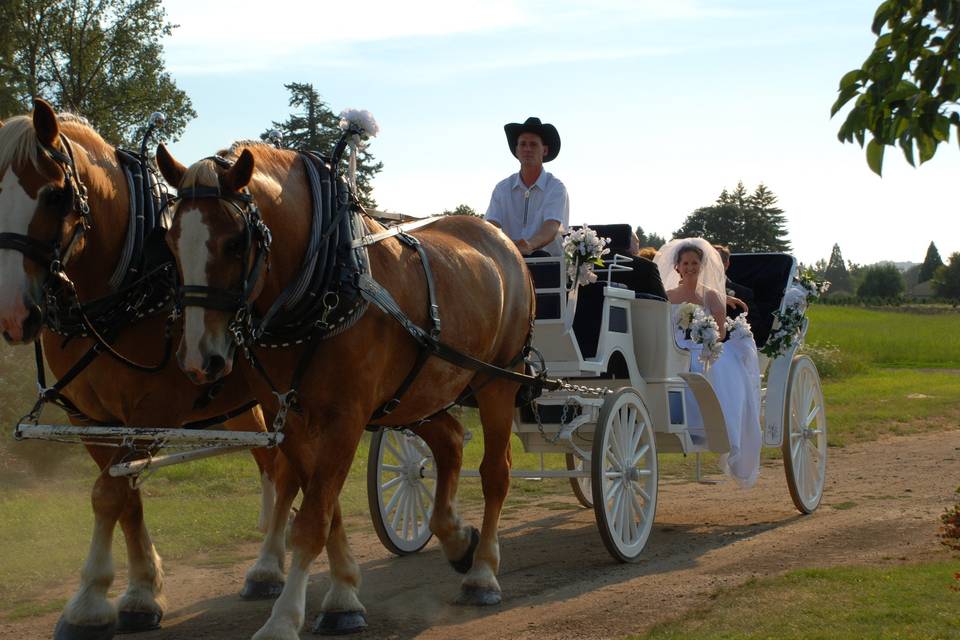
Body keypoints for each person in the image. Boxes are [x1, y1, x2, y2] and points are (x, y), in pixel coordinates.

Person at [653, 238, 762, 488]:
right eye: (685, 263)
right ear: (677, 267)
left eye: (694, 262)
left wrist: (702, 335)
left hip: (705, 347)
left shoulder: (711, 295)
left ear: (701, 266)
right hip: (675, 347)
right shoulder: (667, 296)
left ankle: (713, 427)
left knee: (709, 365)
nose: (690, 267)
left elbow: (721, 333)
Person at [485, 117, 569, 256]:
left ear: (545, 150)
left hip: (546, 263)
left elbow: (551, 226)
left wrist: (529, 246)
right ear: (516, 151)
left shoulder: (556, 187)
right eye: (523, 144)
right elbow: (491, 225)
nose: (527, 149)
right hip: (510, 263)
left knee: (540, 256)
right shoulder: (502, 189)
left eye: (533, 144)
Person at [713, 244, 754, 318]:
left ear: (726, 265)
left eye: (714, 262)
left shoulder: (743, 294)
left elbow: (754, 325)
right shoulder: (694, 290)